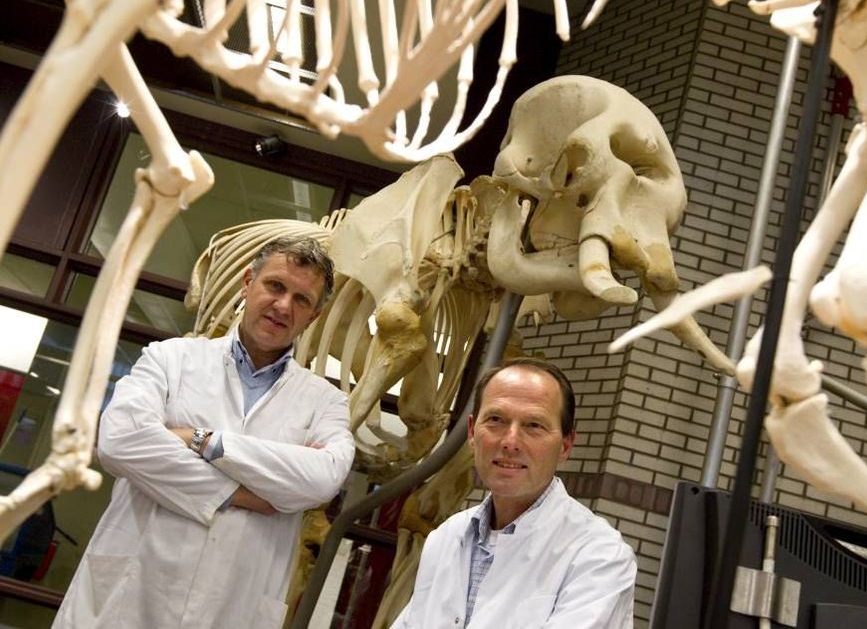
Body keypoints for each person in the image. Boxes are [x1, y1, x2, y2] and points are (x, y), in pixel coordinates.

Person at [54, 237, 355, 629]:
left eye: (302, 299)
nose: (284, 306)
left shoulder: (325, 402)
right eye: (276, 286)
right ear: (248, 283)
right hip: (127, 601)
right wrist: (242, 494)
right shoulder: (170, 359)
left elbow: (322, 479)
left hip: (234, 608)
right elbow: (120, 441)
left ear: (314, 316)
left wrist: (202, 440)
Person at [391, 358, 637, 628]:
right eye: (496, 420)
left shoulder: (600, 557)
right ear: (472, 433)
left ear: (566, 446)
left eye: (534, 425)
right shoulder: (446, 537)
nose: (510, 442)